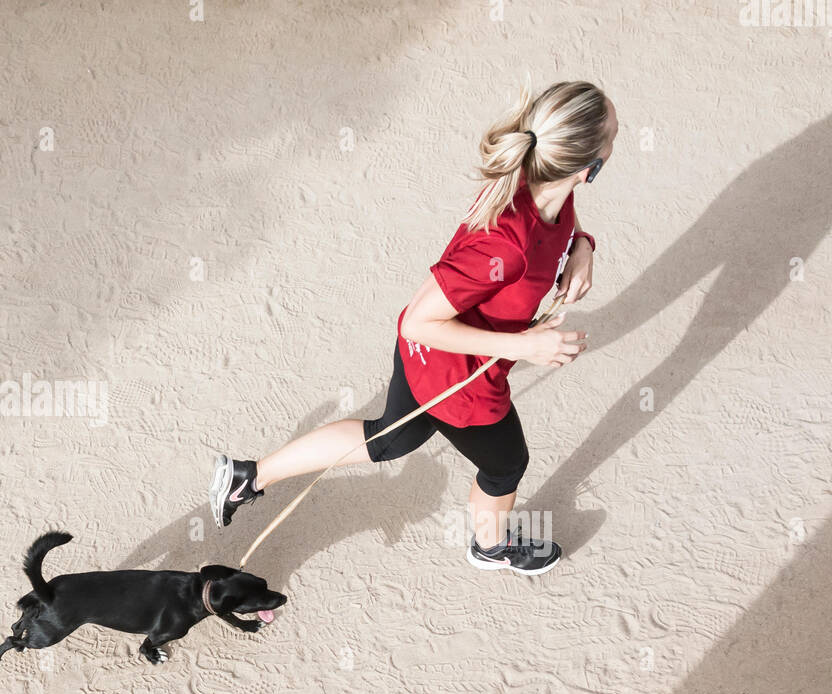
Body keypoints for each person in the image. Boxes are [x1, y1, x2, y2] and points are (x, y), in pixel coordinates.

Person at [210, 80, 617, 574]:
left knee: (390, 438)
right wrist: (525, 345)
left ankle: (247, 477)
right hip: (459, 381)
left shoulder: (538, 182)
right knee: (507, 463)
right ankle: (490, 548)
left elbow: (560, 224)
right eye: (614, 136)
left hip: (424, 362)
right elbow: (422, 321)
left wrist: (582, 247)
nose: (618, 141)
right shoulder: (507, 246)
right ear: (588, 166)